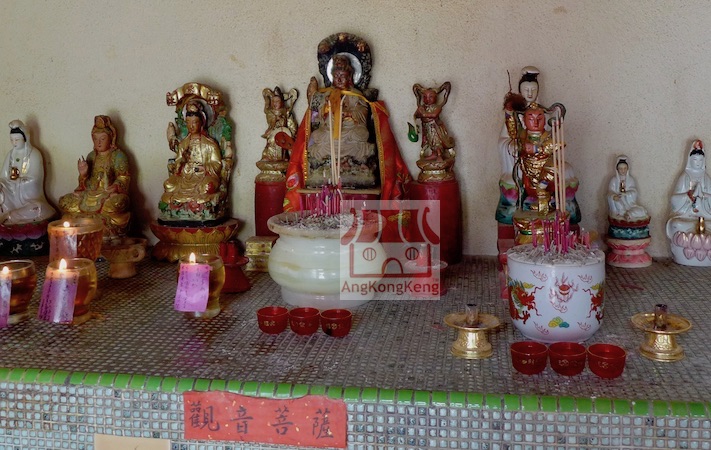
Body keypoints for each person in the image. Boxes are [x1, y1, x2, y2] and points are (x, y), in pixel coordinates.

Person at [283, 46, 411, 211]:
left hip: (350, 131)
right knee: (318, 136)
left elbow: (363, 113)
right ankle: (329, 168)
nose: (339, 79)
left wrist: (349, 113)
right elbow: (318, 116)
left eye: (342, 76)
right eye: (336, 76)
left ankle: (351, 166)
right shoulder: (327, 94)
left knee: (362, 135)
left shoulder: (356, 95)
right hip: (330, 132)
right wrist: (326, 108)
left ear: (350, 77)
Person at [58, 115, 130, 239]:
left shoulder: (118, 156)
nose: (98, 142)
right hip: (89, 194)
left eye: (102, 138)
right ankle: (95, 222)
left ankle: (85, 222)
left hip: (108, 195)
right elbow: (84, 183)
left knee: (118, 202)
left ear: (111, 138)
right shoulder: (91, 156)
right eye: (95, 139)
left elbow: (124, 177)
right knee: (65, 201)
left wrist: (114, 187)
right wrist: (83, 174)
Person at [161, 100, 224, 222]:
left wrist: (203, 168)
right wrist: (181, 162)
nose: (191, 126)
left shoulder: (210, 144)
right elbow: (177, 163)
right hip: (185, 177)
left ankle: (199, 205)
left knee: (208, 187)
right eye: (188, 123)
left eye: (195, 122)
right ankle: (190, 203)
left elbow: (217, 164)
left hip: (203, 177)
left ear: (202, 123)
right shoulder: (183, 144)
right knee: (168, 185)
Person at [0, 120, 56, 224]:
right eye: (12, 140)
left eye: (17, 140)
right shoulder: (10, 154)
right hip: (10, 193)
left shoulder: (34, 154)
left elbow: (35, 179)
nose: (14, 143)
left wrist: (18, 181)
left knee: (39, 208)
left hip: (28, 198)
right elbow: (3, 177)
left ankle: (10, 216)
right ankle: (8, 215)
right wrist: (4, 183)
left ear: (25, 138)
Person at [666, 139, 711, 238]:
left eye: (700, 160)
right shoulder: (684, 176)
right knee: (675, 224)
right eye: (695, 159)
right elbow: (674, 199)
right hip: (687, 216)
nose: (698, 163)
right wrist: (688, 195)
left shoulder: (706, 178)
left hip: (704, 214)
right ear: (690, 160)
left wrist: (703, 196)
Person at [413, 82, 455, 161]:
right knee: (430, 141)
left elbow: (434, 115)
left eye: (431, 97)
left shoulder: (437, 107)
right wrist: (416, 116)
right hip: (426, 127)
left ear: (436, 98)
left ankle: (439, 154)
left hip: (435, 127)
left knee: (436, 140)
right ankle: (434, 154)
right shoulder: (423, 107)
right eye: (425, 97)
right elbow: (416, 115)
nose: (427, 99)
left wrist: (423, 113)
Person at [260, 87, 298, 162]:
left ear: (282, 102)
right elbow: (270, 123)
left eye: (277, 101)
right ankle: (269, 157)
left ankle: (283, 157)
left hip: (283, 133)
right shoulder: (270, 112)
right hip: (273, 131)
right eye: (273, 101)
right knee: (271, 140)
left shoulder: (286, 112)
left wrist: (291, 133)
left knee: (283, 142)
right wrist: (275, 120)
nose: (275, 103)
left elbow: (291, 124)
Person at [607, 156, 649, 222]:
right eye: (620, 169)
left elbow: (634, 192)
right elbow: (610, 192)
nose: (623, 171)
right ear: (617, 169)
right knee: (615, 201)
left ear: (627, 169)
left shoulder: (631, 180)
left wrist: (626, 194)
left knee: (642, 211)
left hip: (629, 204)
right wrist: (614, 196)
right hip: (619, 202)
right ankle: (623, 213)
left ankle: (629, 214)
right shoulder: (614, 180)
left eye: (625, 168)